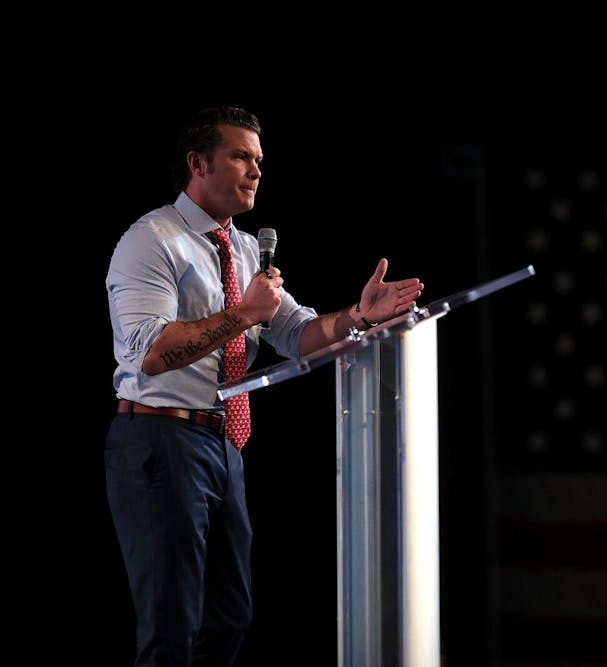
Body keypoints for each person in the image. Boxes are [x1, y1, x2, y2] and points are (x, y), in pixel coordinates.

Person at [104, 105, 423, 665]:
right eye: (241, 157)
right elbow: (150, 353)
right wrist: (245, 314)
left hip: (224, 445)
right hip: (161, 439)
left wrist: (358, 317)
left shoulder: (246, 249)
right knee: (172, 624)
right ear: (198, 163)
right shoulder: (151, 240)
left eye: (259, 161)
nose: (256, 171)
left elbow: (298, 333)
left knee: (230, 617)